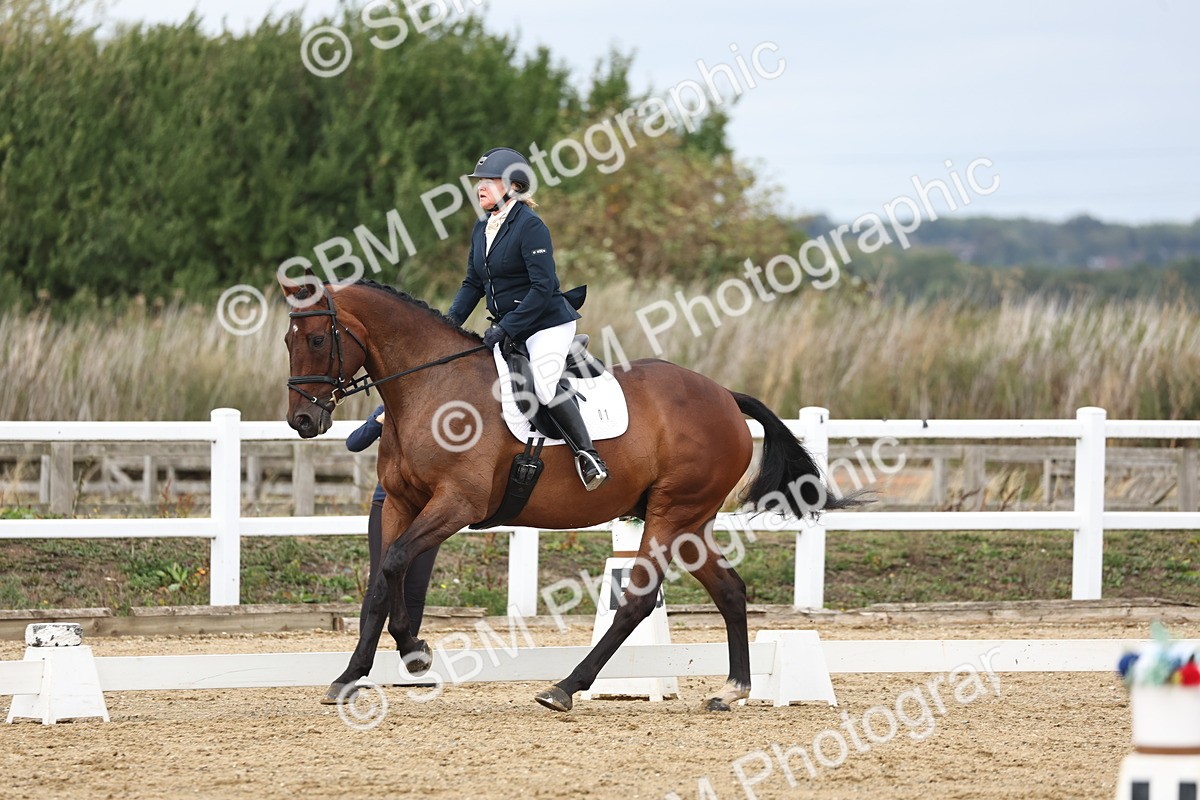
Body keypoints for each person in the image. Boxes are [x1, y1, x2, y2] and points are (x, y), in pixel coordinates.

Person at [446, 146, 609, 491]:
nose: (480, 186)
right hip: (511, 326)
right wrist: (447, 324)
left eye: (489, 180)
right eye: (478, 181)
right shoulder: (482, 227)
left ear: (513, 185)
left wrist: (506, 326)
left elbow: (542, 286)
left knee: (545, 386)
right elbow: (473, 283)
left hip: (546, 324)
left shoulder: (530, 226)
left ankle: (589, 456)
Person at [345, 404, 440, 635]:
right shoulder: (389, 407)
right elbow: (354, 443)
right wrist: (379, 420)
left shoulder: (442, 411)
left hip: (430, 511)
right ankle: (366, 647)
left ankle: (409, 649)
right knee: (379, 582)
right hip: (388, 505)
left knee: (416, 586)